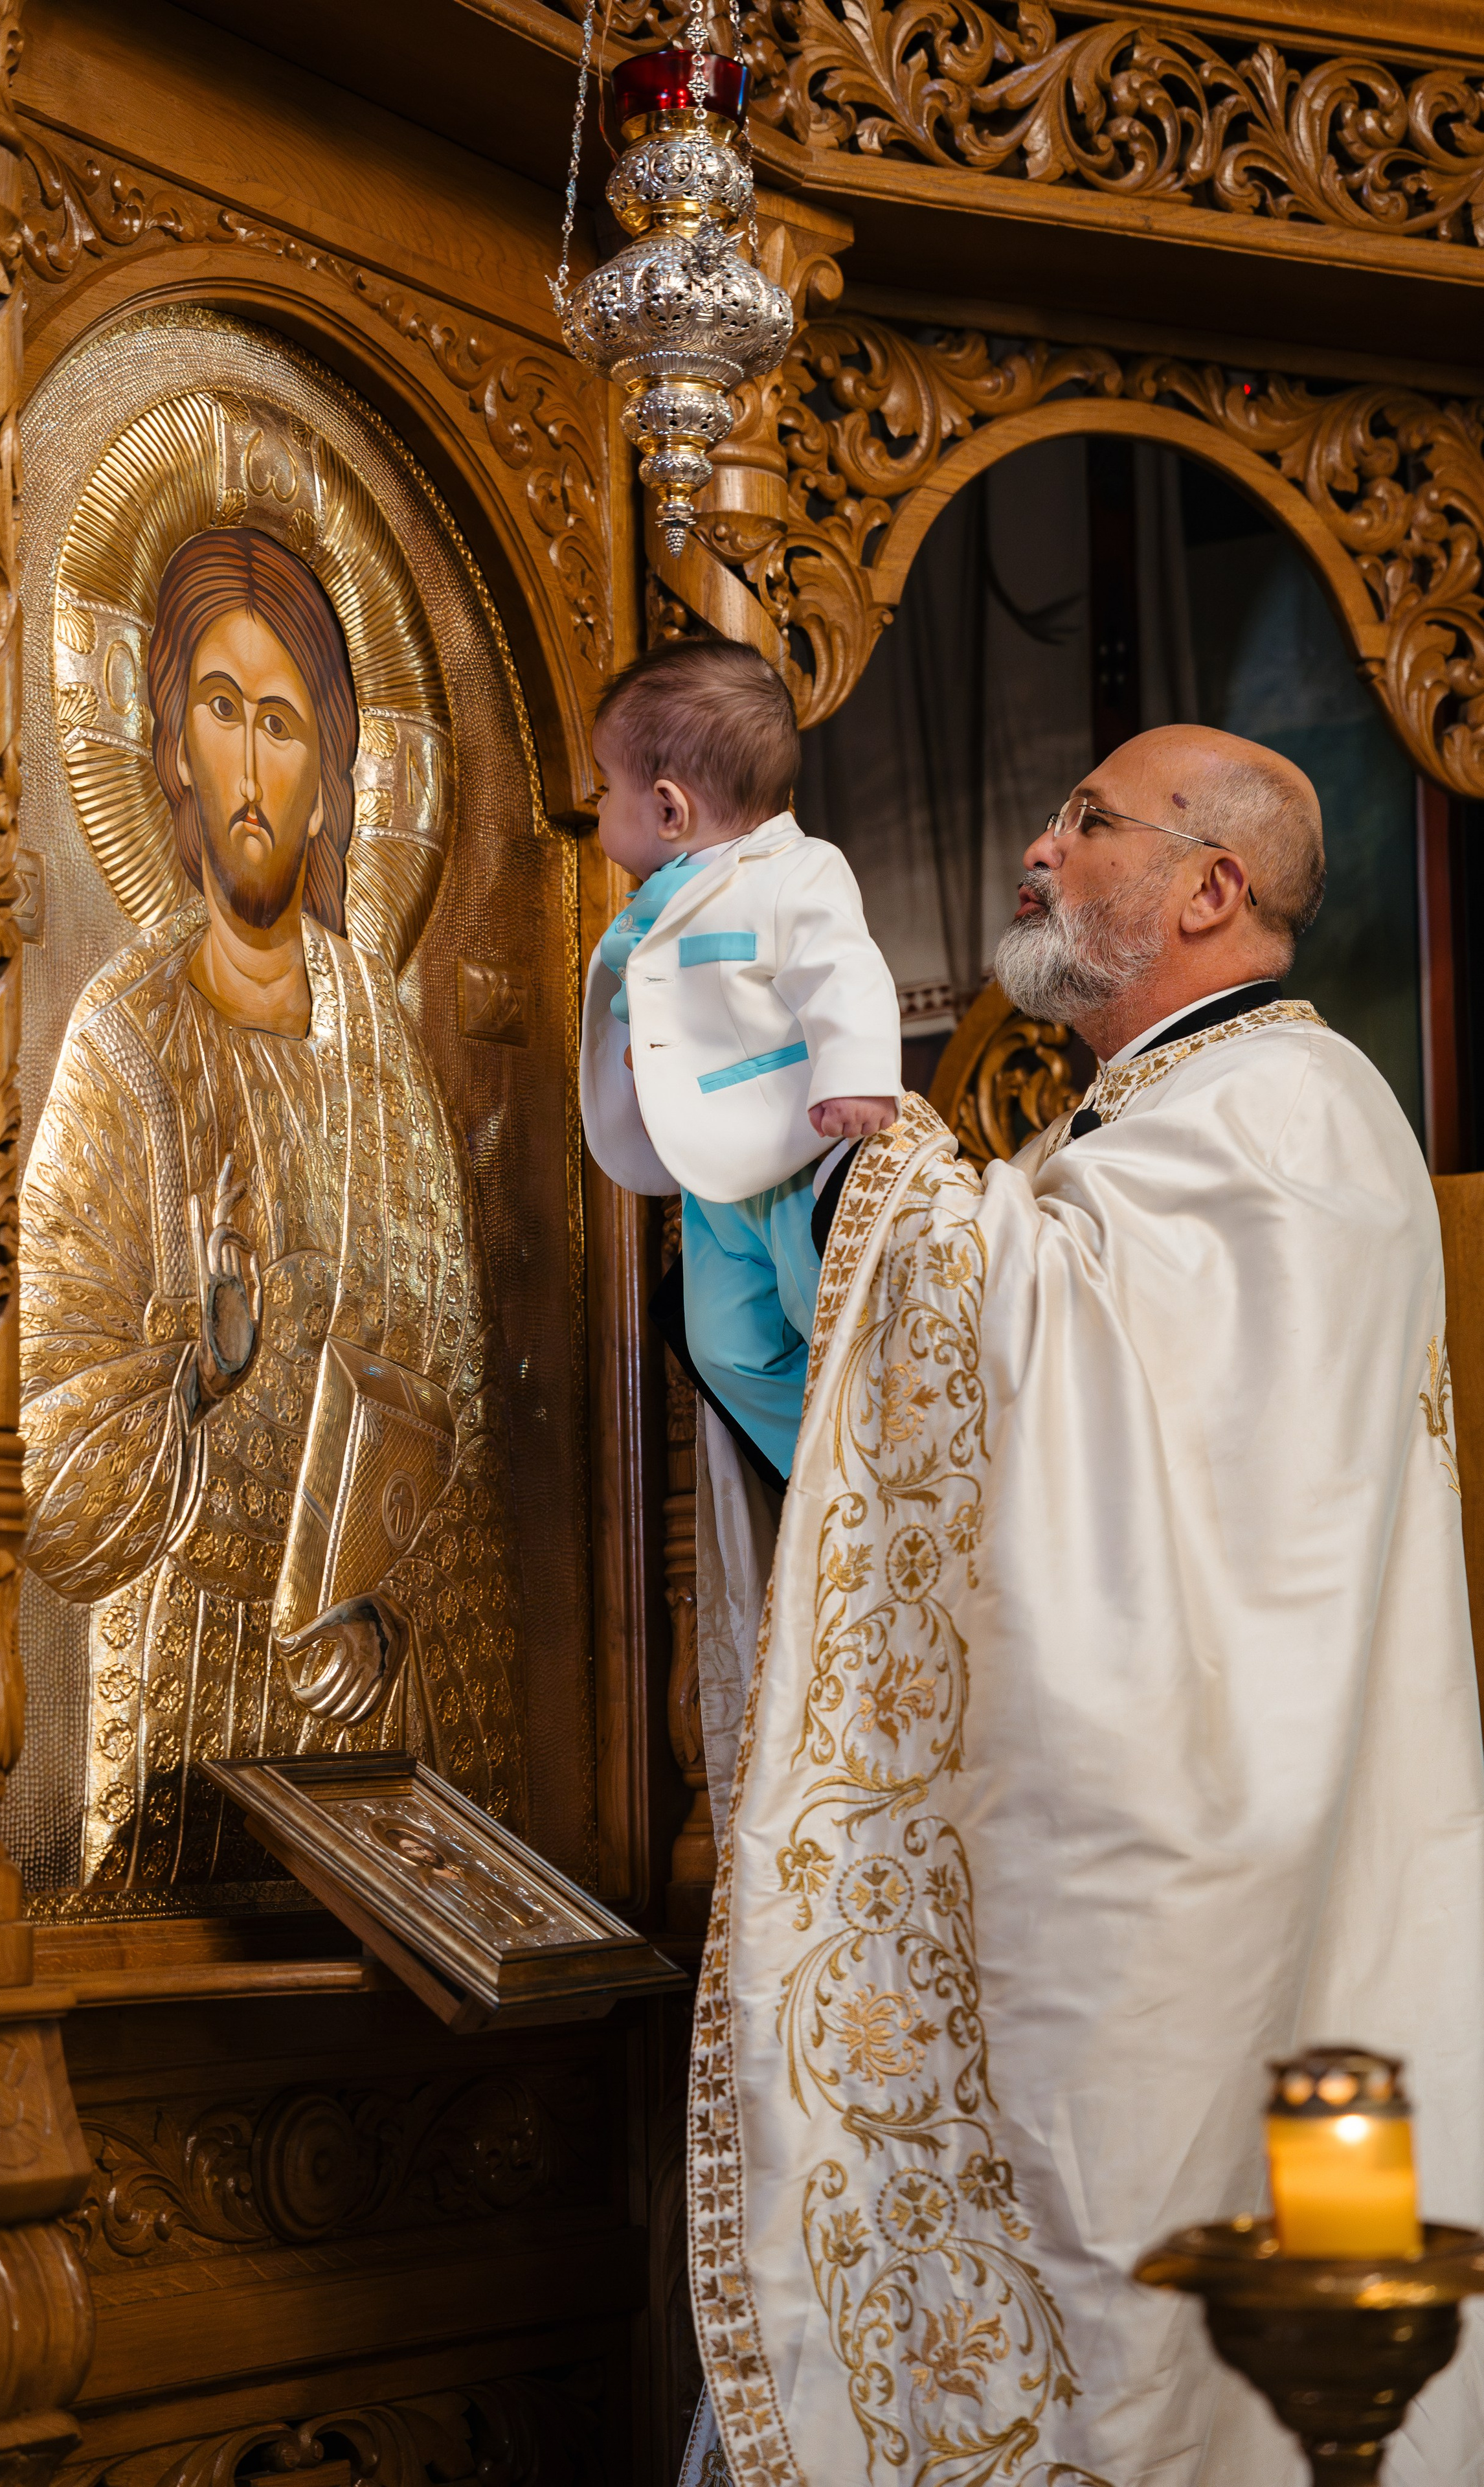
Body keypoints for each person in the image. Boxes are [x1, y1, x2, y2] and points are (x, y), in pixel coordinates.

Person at [686, 723, 1484, 2486]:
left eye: (1086, 821)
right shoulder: (1175, 1114)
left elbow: (1066, 1381)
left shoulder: (1285, 1118)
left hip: (1198, 1855)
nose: (1039, 852)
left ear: (1213, 888)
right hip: (1166, 1807)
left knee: (1143, 2297)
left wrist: (871, 1165)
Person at [20, 527, 526, 1891]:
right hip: (192, 1685)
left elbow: (456, 1395)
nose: (251, 770)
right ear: (171, 744)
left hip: (375, 1686)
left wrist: (382, 1588)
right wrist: (202, 1373)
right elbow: (47, 1438)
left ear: (330, 779)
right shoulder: (123, 1040)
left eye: (286, 726)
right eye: (222, 712)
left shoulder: (381, 1043)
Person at [579, 638, 903, 1481]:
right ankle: (823, 1481)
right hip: (708, 1178)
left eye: (603, 789)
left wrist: (857, 1079)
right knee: (720, 1345)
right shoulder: (651, 905)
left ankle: (881, 1471)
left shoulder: (795, 873)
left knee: (826, 1316)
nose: (594, 808)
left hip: (793, 1153)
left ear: (667, 809)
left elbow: (845, 972)